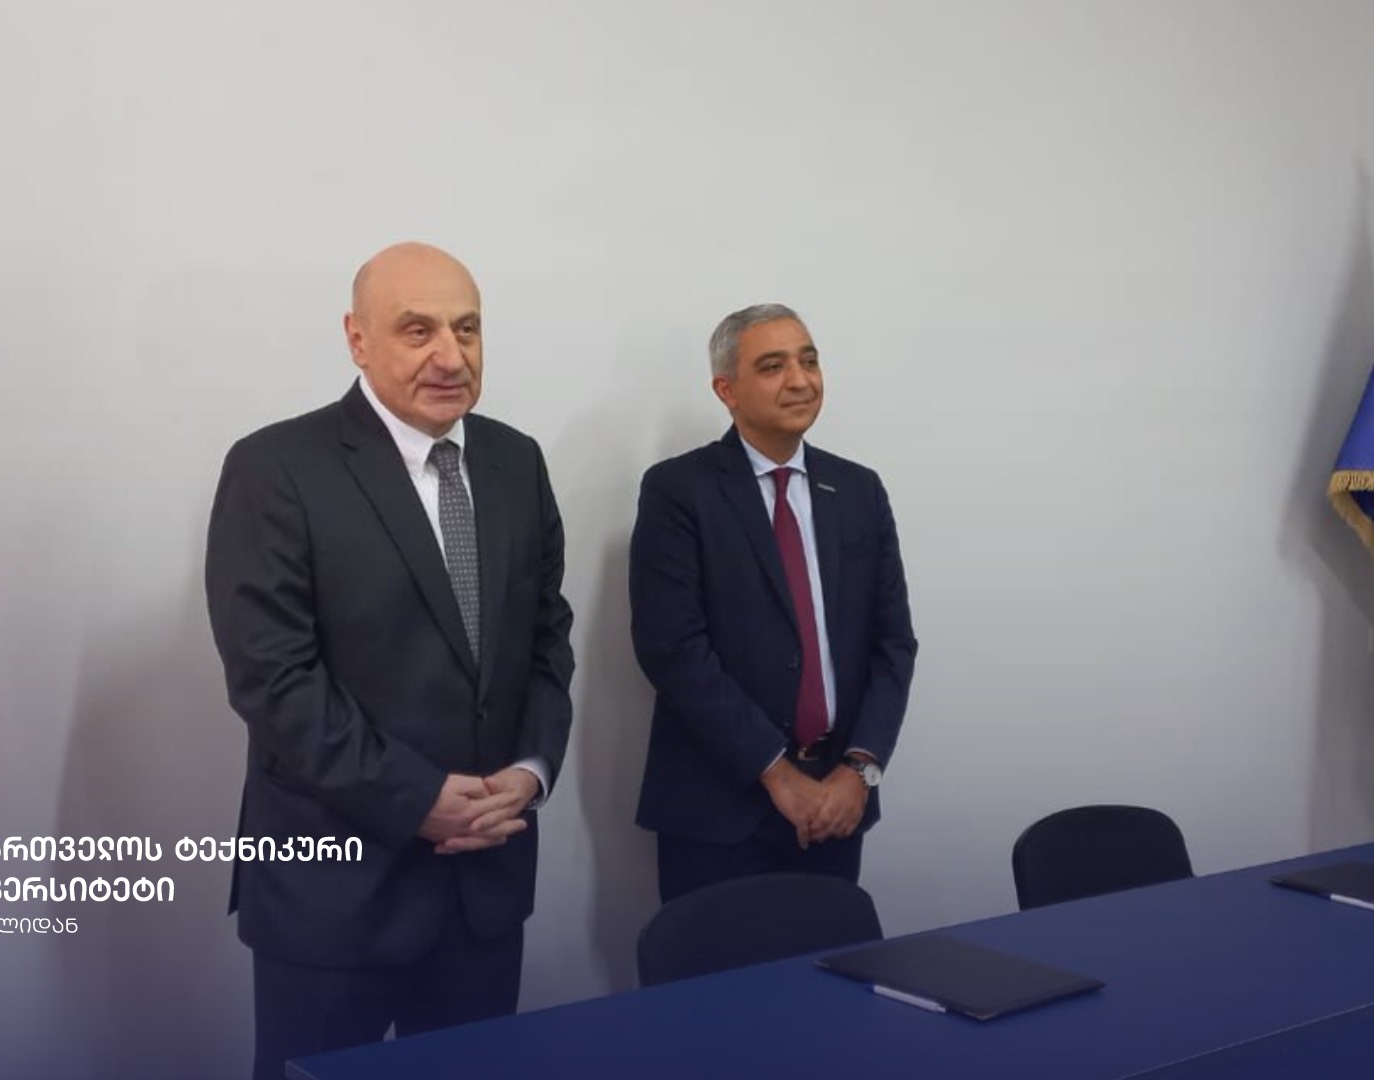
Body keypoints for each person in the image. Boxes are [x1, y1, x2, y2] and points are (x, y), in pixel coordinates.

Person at [205, 242, 575, 1080]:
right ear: (357, 339)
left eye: (467, 329)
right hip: (333, 896)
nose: (451, 355)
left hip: (484, 884)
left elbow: (546, 639)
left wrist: (531, 770)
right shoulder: (275, 468)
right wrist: (417, 799)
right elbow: (273, 679)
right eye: (418, 330)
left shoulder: (516, 462)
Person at [629, 303, 916, 904]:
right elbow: (673, 651)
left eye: (809, 361)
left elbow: (892, 644)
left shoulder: (858, 490)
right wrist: (778, 774)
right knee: (715, 966)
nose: (800, 380)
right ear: (726, 390)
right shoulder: (678, 490)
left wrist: (859, 771)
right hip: (717, 810)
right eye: (773, 366)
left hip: (837, 803)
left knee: (827, 962)